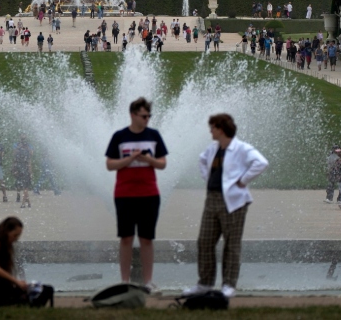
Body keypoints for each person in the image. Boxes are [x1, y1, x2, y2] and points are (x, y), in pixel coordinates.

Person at [182, 113, 268, 300]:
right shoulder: (214, 148)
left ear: (220, 129)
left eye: (212, 127)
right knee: (204, 241)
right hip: (212, 198)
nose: (210, 131)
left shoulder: (241, 148)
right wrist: (209, 178)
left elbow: (261, 162)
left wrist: (243, 180)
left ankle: (229, 284)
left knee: (231, 244)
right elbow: (202, 160)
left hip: (235, 201)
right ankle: (204, 283)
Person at [105, 97, 168, 291]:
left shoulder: (154, 135)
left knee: (147, 238)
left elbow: (162, 164)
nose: (147, 119)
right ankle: (125, 282)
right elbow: (110, 165)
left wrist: (148, 159)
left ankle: (148, 282)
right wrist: (131, 158)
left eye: (149, 116)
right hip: (124, 194)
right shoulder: (120, 136)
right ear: (133, 115)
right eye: (143, 116)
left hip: (149, 193)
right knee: (126, 238)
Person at [12, 134, 33, 208]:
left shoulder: (28, 147)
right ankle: (28, 202)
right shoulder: (17, 146)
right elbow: (14, 156)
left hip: (23, 169)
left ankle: (23, 203)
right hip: (21, 169)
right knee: (24, 187)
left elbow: (30, 156)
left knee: (25, 187)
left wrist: (30, 172)